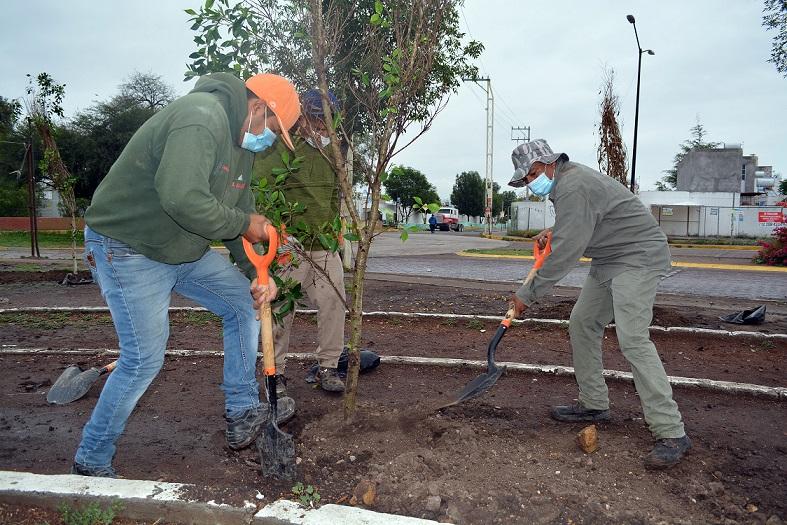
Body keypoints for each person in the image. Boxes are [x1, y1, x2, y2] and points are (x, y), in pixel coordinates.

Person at [71, 72, 301, 478]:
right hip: (129, 246)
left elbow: (236, 219)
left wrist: (256, 272)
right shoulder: (201, 117)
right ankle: (92, 460)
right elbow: (183, 199)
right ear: (258, 108)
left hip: (180, 247)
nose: (268, 141)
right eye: (272, 128)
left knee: (242, 305)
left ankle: (243, 411)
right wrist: (246, 224)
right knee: (142, 359)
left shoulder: (241, 143)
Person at [508, 139, 691, 470]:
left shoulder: (572, 185)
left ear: (549, 163)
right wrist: (556, 229)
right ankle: (594, 404)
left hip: (637, 256)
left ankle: (671, 431)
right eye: (526, 179)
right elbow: (583, 222)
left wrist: (527, 295)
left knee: (633, 337)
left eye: (533, 173)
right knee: (582, 322)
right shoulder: (566, 184)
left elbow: (565, 253)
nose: (531, 182)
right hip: (610, 258)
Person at [250, 88, 347, 414]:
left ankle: (328, 367)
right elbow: (263, 192)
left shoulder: (333, 152)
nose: (320, 128)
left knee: (335, 301)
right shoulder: (278, 148)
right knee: (279, 310)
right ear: (301, 116)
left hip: (323, 243)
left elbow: (336, 193)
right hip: (289, 245)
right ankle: (274, 373)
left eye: (326, 123)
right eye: (316, 120)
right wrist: (278, 232)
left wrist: (338, 227)